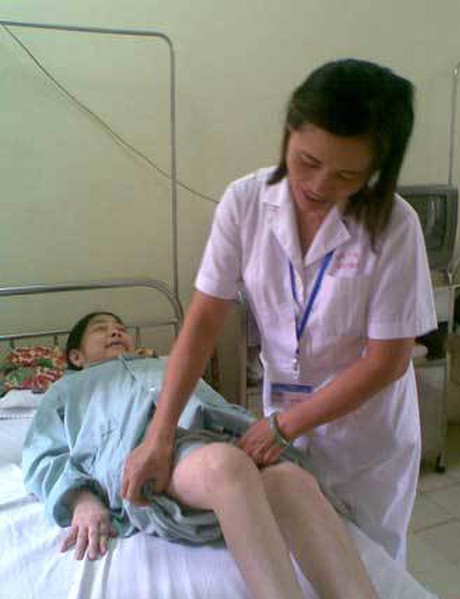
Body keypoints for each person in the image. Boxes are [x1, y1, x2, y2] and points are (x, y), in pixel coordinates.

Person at [121, 58, 437, 564]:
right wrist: (159, 436)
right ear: (289, 130)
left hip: (365, 440)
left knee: (370, 564)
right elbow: (203, 322)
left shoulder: (396, 226)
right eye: (307, 161)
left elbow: (387, 362)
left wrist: (287, 425)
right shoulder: (244, 203)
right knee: (298, 556)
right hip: (284, 421)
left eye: (347, 175)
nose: (319, 185)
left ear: (375, 172)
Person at [22, 312, 460, 599]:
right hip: (150, 462)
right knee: (227, 467)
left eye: (121, 328)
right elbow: (43, 455)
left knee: (291, 480)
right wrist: (83, 500)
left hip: (219, 442)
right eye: (101, 330)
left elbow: (213, 405)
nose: (116, 332)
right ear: (75, 357)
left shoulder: (166, 365)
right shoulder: (67, 393)